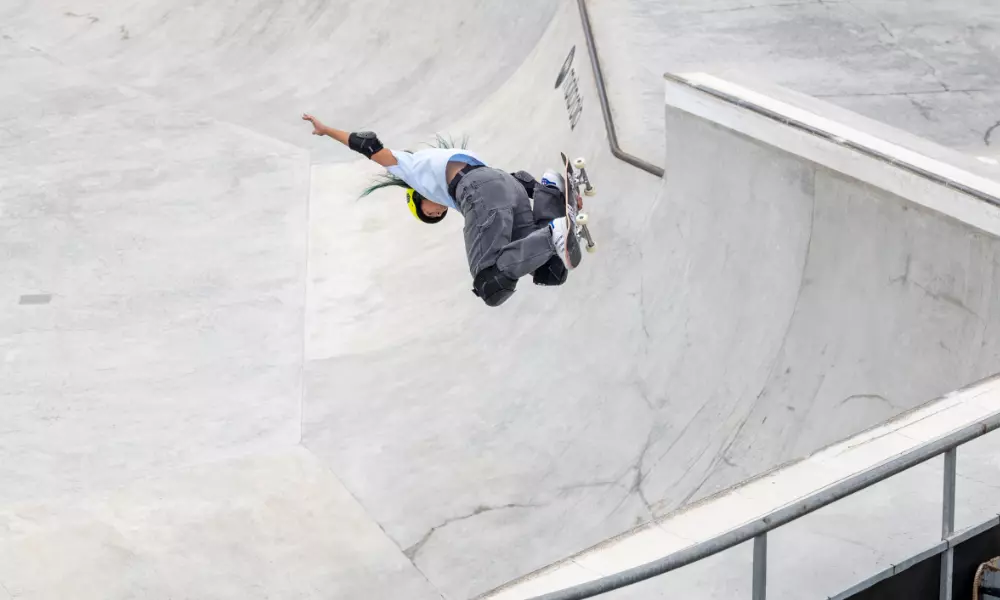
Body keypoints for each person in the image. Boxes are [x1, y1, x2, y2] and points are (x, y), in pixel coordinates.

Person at [301, 113, 581, 307]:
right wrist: (547, 194)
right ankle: (551, 190)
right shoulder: (454, 167)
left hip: (479, 191)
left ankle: (551, 233)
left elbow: (369, 144)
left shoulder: (412, 171)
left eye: (427, 211)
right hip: (505, 184)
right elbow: (516, 182)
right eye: (435, 217)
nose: (435, 213)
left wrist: (327, 131)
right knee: (550, 271)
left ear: (417, 196)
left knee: (490, 284)